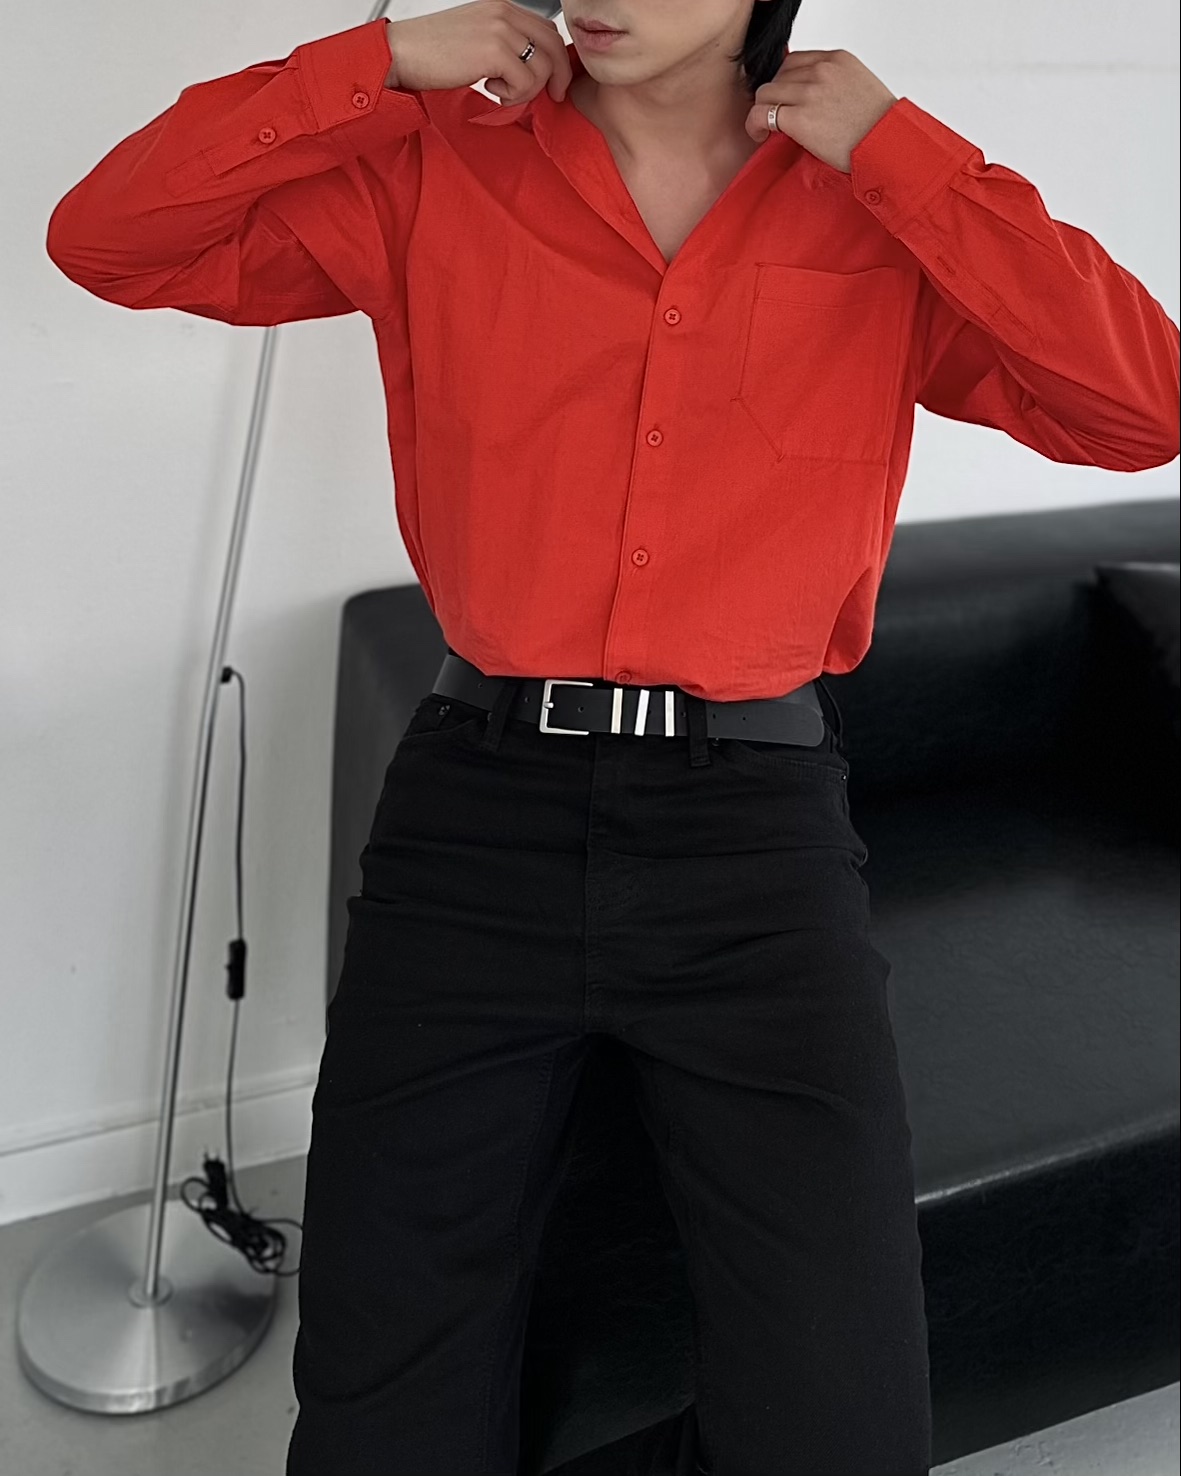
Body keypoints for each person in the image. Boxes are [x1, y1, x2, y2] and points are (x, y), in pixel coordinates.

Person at [45, 3, 1179, 1473]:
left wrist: (908, 157)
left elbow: (1139, 409)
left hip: (754, 832)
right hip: (474, 814)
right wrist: (374, 63)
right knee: (383, 1370)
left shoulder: (876, 207)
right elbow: (111, 241)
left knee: (839, 1407)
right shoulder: (436, 167)